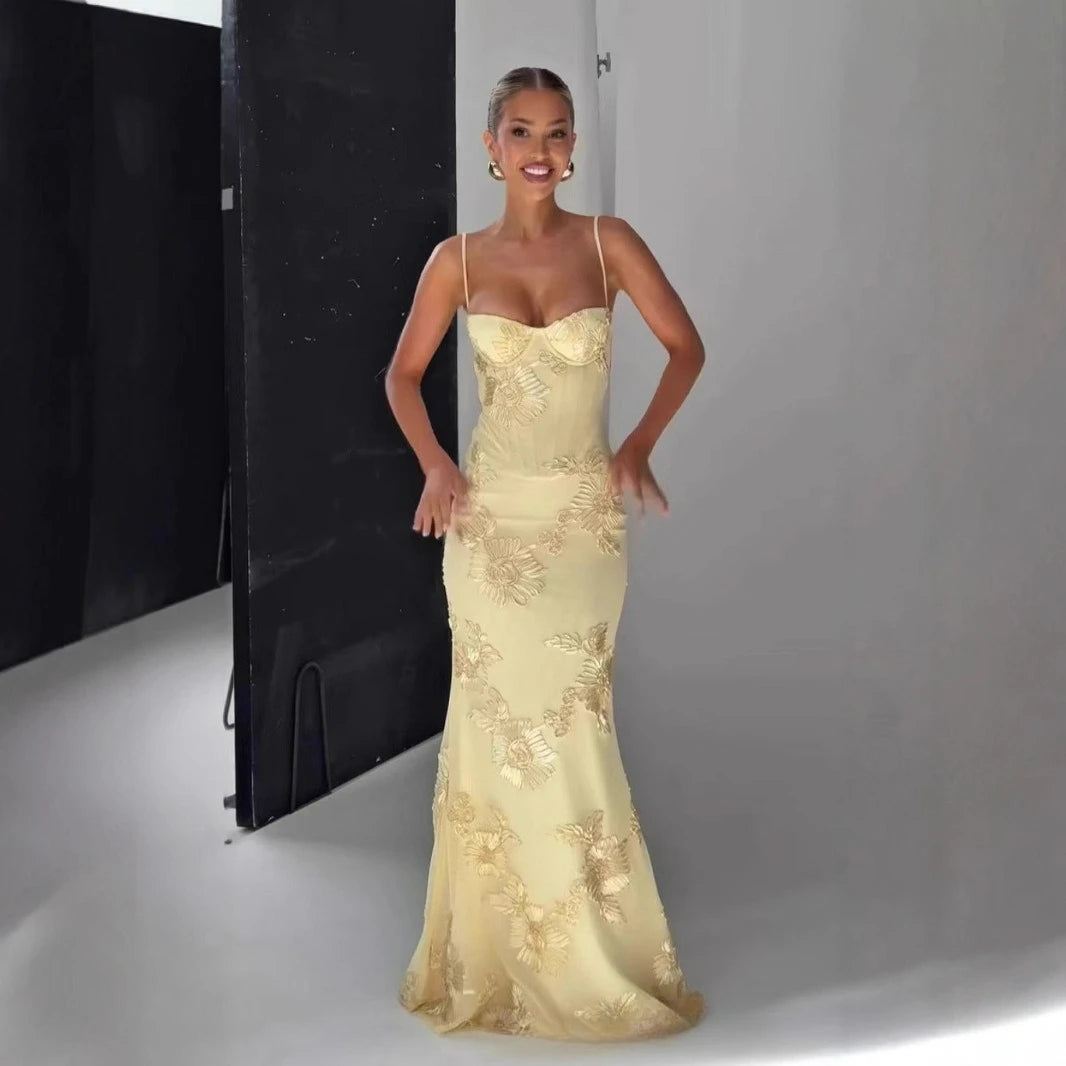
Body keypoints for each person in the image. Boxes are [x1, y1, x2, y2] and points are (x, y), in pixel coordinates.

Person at [385, 65, 706, 1041]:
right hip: (487, 525)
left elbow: (686, 346)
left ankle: (590, 957)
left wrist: (636, 445)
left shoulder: (610, 245)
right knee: (490, 733)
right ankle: (492, 955)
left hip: (578, 523)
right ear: (491, 148)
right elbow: (402, 376)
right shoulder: (455, 260)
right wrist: (436, 465)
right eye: (520, 132)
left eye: (556, 132)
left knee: (570, 730)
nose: (539, 149)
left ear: (572, 148)